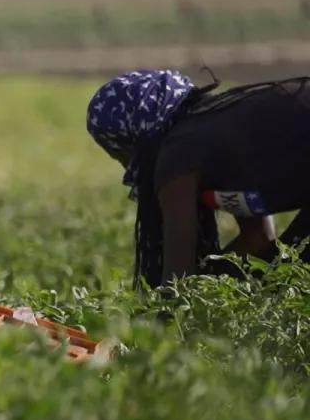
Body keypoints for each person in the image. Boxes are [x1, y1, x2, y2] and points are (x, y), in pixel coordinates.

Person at [86, 69, 310, 287]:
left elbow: (177, 280)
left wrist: (155, 318)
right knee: (285, 270)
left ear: (130, 137)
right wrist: (211, 280)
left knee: (290, 274)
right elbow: (258, 238)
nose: (127, 168)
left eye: (119, 155)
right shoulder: (213, 125)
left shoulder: (176, 156)